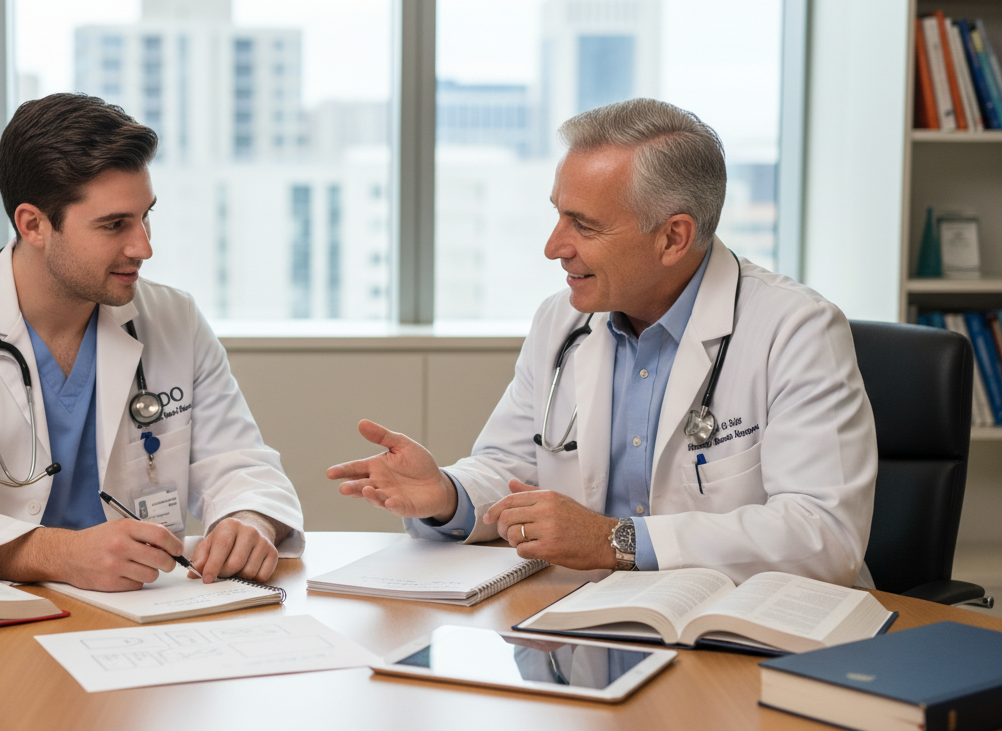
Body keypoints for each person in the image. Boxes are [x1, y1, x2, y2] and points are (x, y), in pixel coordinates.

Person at [327, 98, 876, 587]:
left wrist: (618, 540)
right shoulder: (561, 322)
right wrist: (447, 494)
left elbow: (824, 535)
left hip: (748, 638)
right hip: (592, 622)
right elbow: (512, 467)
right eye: (557, 214)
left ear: (672, 237)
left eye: (583, 225)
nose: (553, 247)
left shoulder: (797, 329)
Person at [0, 93, 303, 591]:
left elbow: (242, 462)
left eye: (146, 216)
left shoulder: (173, 318)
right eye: (114, 225)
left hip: (140, 619)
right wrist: (55, 553)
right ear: (33, 224)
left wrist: (249, 520)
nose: (143, 246)